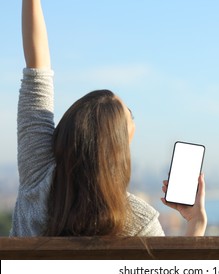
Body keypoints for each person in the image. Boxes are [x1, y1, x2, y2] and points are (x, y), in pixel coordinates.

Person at [11, 0, 207, 237]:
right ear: (118, 147)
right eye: (131, 116)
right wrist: (195, 221)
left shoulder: (37, 172)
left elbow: (37, 69)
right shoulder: (139, 222)